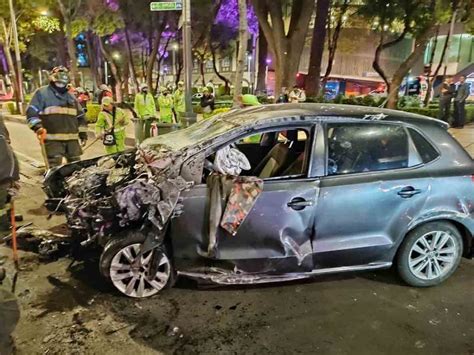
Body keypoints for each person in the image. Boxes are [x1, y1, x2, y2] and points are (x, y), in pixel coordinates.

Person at [26, 66, 87, 168]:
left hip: (72, 142)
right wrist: (37, 127)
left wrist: (83, 133)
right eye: (59, 83)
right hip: (52, 141)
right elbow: (31, 112)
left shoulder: (71, 97)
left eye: (63, 83)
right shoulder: (42, 93)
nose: (61, 85)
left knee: (77, 168)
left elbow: (80, 116)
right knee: (54, 169)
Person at [0, 116, 19, 233]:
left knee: (6, 197)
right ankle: (3, 229)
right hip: (5, 172)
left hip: (5, 172)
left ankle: (6, 222)